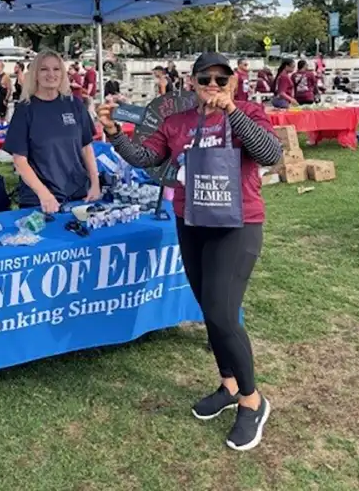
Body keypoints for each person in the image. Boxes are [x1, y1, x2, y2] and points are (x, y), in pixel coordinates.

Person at [96, 52, 282, 452]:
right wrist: (114, 132)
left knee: (221, 311)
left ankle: (253, 401)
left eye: (221, 79)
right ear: (191, 83)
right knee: (207, 308)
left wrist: (231, 110)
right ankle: (230, 384)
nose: (213, 86)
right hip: (191, 220)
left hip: (239, 224)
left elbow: (270, 154)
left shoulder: (248, 110)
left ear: (233, 81)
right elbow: (148, 159)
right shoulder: (177, 122)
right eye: (205, 79)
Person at [4, 50, 101, 213]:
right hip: (40, 200)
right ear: (35, 74)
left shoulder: (75, 105)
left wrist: (95, 183)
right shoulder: (25, 110)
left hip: (78, 194)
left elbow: (86, 147)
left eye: (56, 69)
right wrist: (44, 194)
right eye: (44, 69)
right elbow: (20, 160)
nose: (51, 74)